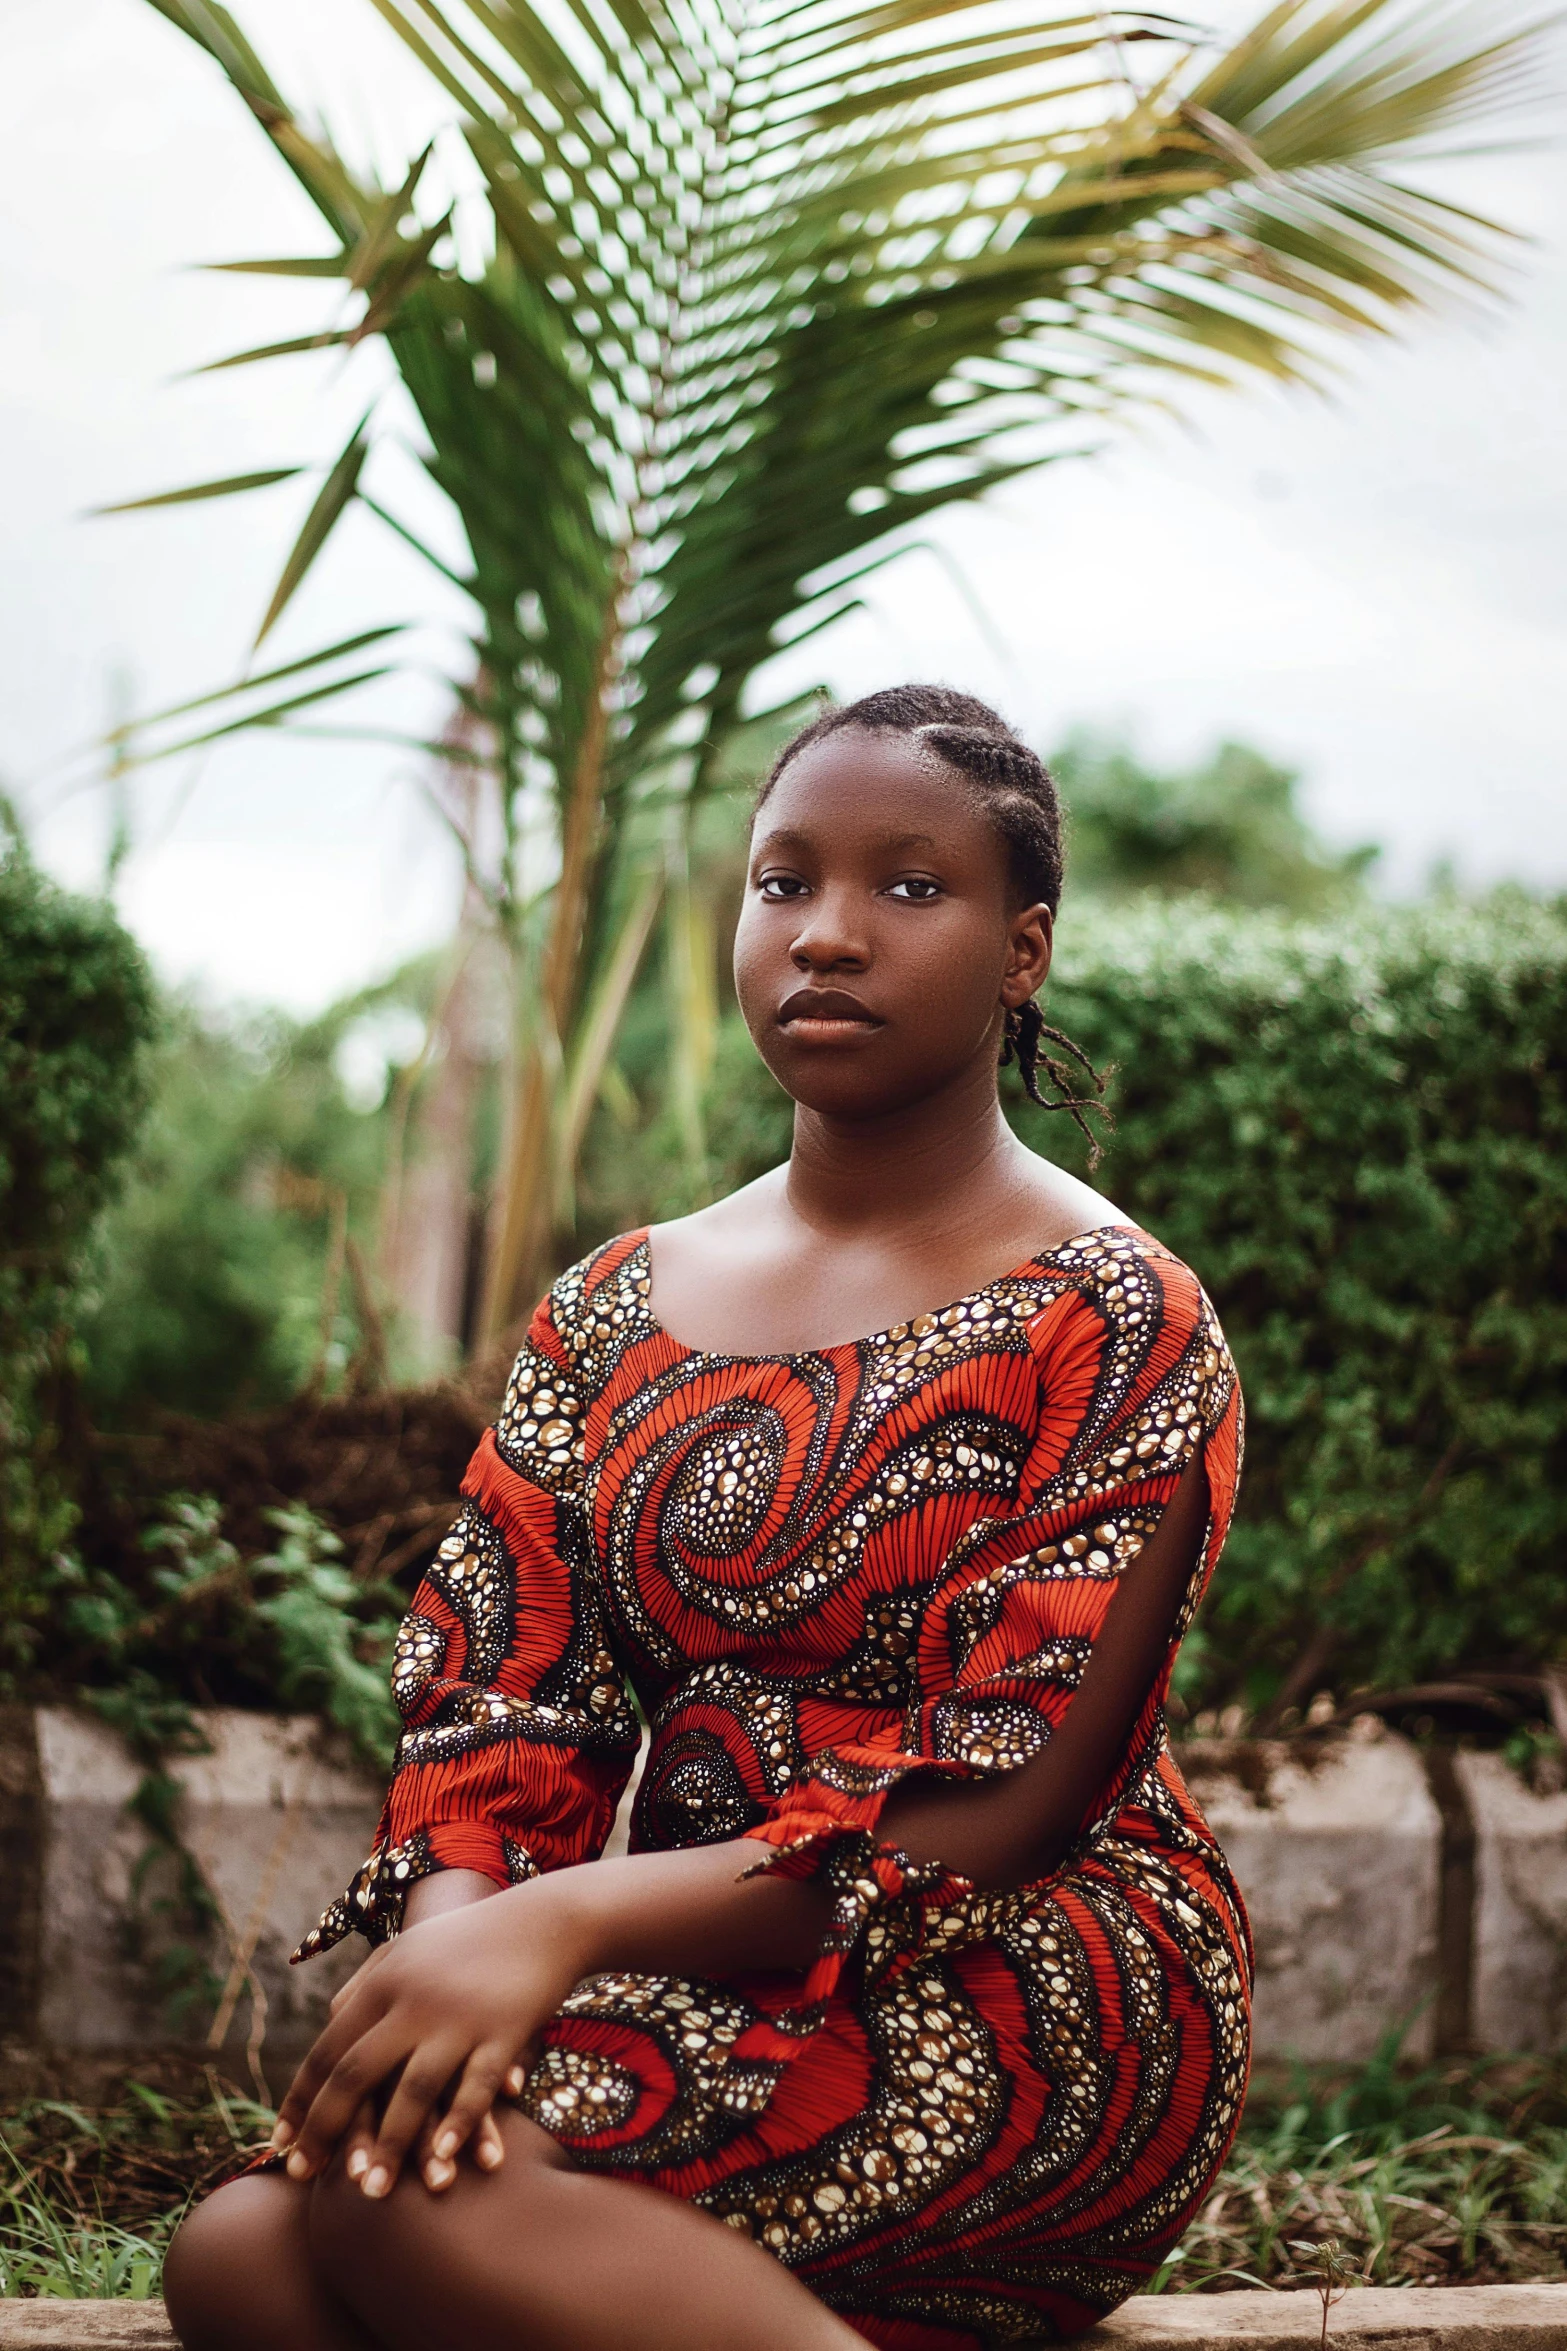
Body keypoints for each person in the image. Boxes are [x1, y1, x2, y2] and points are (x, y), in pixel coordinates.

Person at [164, 686, 1250, 2351]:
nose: (824, 935)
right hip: (704, 1977)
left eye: (906, 888)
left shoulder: (1110, 1314)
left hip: (1028, 1984)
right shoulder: (612, 1303)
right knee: (241, 2254)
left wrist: (566, 1920)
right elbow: (501, 1713)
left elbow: (1009, 1809)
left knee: (420, 2200)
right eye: (781, 880)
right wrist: (465, 1961)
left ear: (1021, 950)